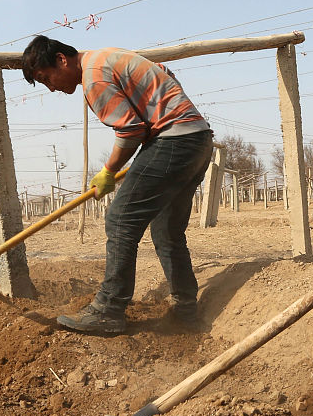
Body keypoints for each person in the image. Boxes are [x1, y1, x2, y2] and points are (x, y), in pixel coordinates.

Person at [21, 36, 214, 335]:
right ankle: (186, 310)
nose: (52, 87)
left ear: (61, 59)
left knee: (120, 219)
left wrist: (109, 171)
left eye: (47, 78)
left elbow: (130, 129)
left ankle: (108, 309)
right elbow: (163, 70)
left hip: (173, 140)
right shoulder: (110, 55)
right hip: (199, 139)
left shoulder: (93, 77)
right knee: (166, 229)